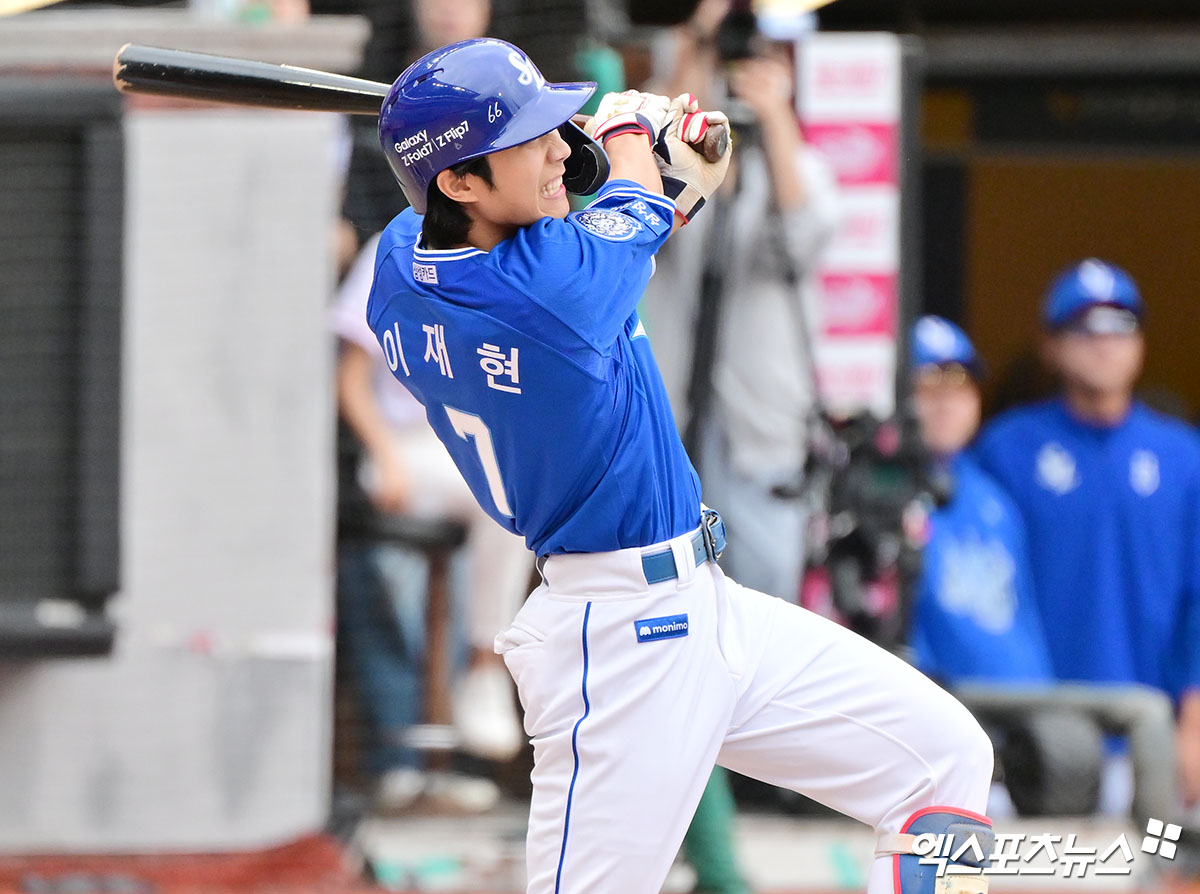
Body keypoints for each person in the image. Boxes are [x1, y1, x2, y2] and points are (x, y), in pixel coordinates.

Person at [366, 37, 994, 894]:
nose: (557, 152)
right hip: (619, 640)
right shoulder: (549, 290)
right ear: (460, 183)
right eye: (529, 141)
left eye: (551, 132)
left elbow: (601, 231)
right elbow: (610, 222)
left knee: (945, 757)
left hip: (703, 606)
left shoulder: (402, 264)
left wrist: (637, 174)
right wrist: (630, 131)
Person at [974, 259, 1200, 811]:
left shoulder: (1182, 456)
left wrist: (1194, 724)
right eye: (1083, 327)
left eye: (1121, 326)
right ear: (1050, 346)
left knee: (1158, 860)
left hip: (1156, 741)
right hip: (1036, 740)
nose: (1104, 343)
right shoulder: (1006, 450)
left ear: (1141, 344)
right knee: (1045, 863)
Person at [333, 230, 533, 812]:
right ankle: (401, 760)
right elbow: (350, 377)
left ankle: (484, 665)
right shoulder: (392, 247)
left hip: (468, 448)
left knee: (515, 499)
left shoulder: (510, 252)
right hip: (403, 449)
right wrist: (385, 454)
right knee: (398, 601)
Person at [905, 316, 1055, 686]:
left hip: (1016, 705)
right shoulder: (876, 494)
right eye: (927, 388)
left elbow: (1023, 619)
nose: (946, 404)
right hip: (939, 703)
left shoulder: (994, 498)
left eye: (960, 387)